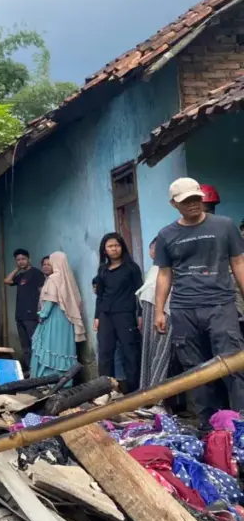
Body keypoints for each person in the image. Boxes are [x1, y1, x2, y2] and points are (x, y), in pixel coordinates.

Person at [154, 178, 244, 428]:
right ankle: (208, 427)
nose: (193, 204)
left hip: (221, 306)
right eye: (186, 201)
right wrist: (159, 311)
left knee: (233, 364)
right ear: (174, 204)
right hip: (184, 310)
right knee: (196, 370)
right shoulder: (166, 235)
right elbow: (164, 274)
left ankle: (240, 424)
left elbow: (238, 263)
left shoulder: (225, 226)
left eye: (196, 198)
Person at [94, 232, 144, 392]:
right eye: (110, 246)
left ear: (122, 247)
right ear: (104, 250)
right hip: (106, 316)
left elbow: (139, 292)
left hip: (126, 315)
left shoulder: (131, 268)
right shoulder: (103, 270)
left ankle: (133, 391)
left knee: (130, 353)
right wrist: (97, 316)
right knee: (105, 353)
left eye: (117, 245)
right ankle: (105, 391)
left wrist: (140, 314)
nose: (114, 249)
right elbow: (100, 296)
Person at [31, 252, 87, 378]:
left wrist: (42, 315)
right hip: (66, 320)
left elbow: (51, 300)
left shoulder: (54, 278)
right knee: (64, 349)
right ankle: (66, 381)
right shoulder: (68, 279)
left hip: (54, 318)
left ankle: (47, 379)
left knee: (47, 347)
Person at [138, 238, 173, 390]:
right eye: (152, 247)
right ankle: (146, 393)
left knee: (162, 352)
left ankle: (156, 398)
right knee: (149, 351)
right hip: (150, 310)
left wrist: (161, 313)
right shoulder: (154, 270)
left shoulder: (169, 268)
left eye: (157, 248)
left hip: (166, 311)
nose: (154, 251)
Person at [4, 248, 46, 371]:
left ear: (29, 259)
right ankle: (29, 369)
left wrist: (40, 311)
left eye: (23, 259)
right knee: (25, 346)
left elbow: (41, 293)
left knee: (34, 344)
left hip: (32, 315)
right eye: (18, 260)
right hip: (20, 315)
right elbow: (7, 281)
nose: (21, 262)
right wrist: (17, 269)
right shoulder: (21, 275)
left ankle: (37, 370)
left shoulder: (36, 273)